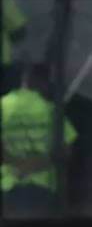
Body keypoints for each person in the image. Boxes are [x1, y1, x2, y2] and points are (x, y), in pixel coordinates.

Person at [1, 63, 77, 217]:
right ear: (40, 82)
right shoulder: (50, 110)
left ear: (24, 80)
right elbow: (67, 151)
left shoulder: (3, 106)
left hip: (7, 185)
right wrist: (40, 163)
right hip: (43, 187)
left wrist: (17, 163)